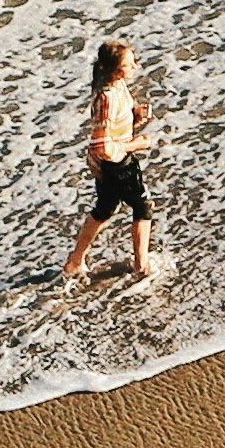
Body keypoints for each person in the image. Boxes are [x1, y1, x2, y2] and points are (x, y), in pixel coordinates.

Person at [60, 36, 158, 286]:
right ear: (116, 70)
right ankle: (141, 265)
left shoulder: (118, 86)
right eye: (130, 64)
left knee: (105, 208)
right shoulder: (106, 97)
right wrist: (136, 143)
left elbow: (114, 127)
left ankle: (74, 262)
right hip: (115, 163)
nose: (135, 66)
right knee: (143, 206)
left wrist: (135, 117)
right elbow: (102, 146)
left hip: (113, 160)